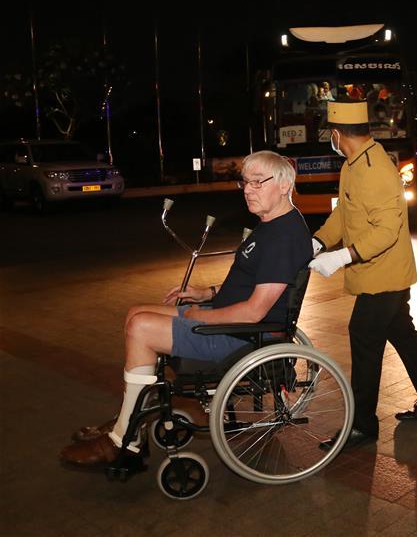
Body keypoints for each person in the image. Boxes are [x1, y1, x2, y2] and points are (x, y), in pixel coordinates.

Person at [60, 151, 313, 465]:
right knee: (135, 313)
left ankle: (125, 440)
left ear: (285, 185)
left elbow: (254, 312)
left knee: (142, 328)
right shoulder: (271, 224)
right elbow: (252, 283)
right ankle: (129, 418)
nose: (248, 189)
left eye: (258, 182)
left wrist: (203, 315)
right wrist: (205, 292)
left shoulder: (283, 237)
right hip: (229, 321)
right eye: (245, 182)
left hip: (241, 336)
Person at [309, 100, 417, 451]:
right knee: (401, 331)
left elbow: (387, 230)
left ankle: (362, 425)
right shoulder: (353, 165)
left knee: (363, 335)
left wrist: (343, 255)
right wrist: (318, 241)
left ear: (338, 134)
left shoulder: (375, 169)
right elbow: (345, 213)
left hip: (384, 275)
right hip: (379, 272)